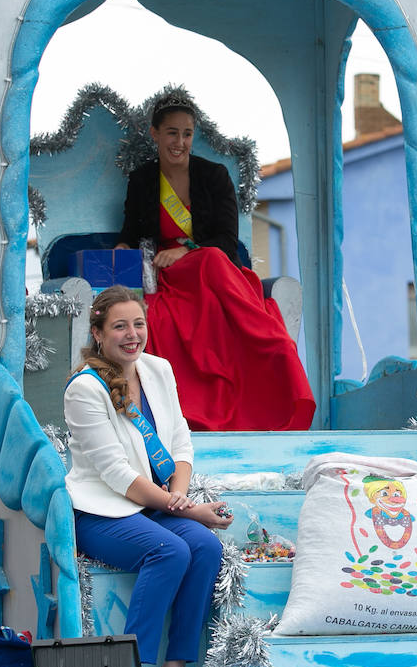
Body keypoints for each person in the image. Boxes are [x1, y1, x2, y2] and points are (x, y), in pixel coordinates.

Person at [63, 285, 232, 667]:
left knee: (206, 547)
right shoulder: (83, 389)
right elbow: (116, 474)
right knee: (170, 549)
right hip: (102, 510)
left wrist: (180, 493)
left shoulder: (157, 369)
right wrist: (190, 509)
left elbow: (180, 441)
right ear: (98, 332)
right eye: (119, 326)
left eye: (138, 323)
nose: (132, 334)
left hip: (157, 503)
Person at [115, 86, 314, 432]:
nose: (180, 142)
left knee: (210, 259)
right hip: (172, 276)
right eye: (172, 133)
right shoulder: (143, 180)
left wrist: (188, 250)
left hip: (215, 268)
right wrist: (122, 249)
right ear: (155, 134)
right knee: (167, 311)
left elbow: (226, 240)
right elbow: (132, 234)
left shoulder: (214, 176)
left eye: (187, 134)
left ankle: (269, 338)